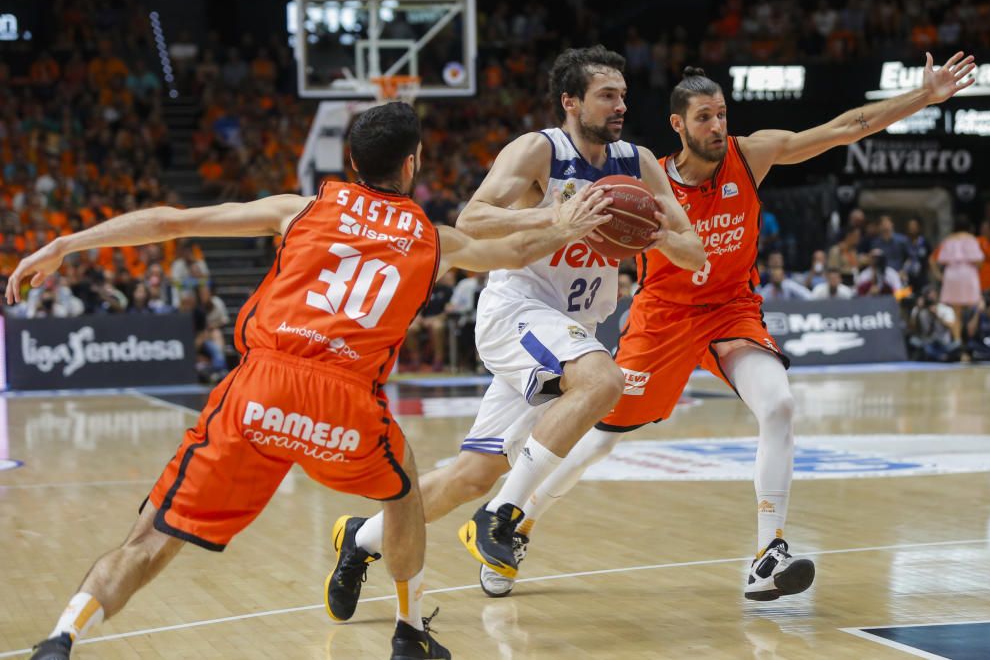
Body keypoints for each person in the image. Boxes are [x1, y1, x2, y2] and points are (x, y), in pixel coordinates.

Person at [12, 101, 615, 660]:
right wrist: (563, 225)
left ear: (351, 161)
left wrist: (66, 242)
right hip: (344, 400)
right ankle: (408, 636)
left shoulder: (298, 208)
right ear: (413, 164)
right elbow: (511, 253)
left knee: (150, 538)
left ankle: (63, 637)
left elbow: (171, 221)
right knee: (403, 491)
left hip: (259, 390)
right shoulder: (435, 240)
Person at [489, 51, 977, 602]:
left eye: (722, 114)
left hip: (731, 312)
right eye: (704, 117)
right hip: (664, 317)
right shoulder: (645, 177)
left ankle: (769, 554)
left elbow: (846, 128)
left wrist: (925, 95)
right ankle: (519, 522)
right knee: (599, 442)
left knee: (780, 404)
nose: (718, 126)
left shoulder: (752, 155)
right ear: (679, 124)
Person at [324, 45, 704, 618]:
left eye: (624, 95)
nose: (621, 104)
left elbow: (693, 250)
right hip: (517, 310)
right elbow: (471, 219)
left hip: (568, 329)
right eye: (608, 95)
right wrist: (559, 212)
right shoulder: (539, 150)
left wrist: (652, 235)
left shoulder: (639, 162)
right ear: (571, 102)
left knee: (470, 475)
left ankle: (360, 540)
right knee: (604, 379)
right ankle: (503, 518)